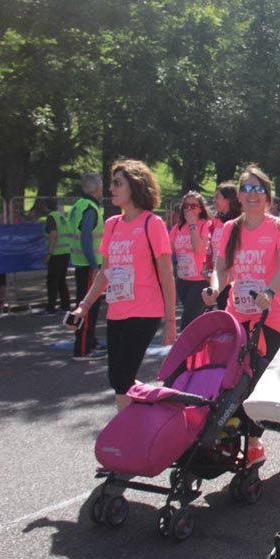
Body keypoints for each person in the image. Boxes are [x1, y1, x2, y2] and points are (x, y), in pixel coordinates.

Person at [202, 165, 280, 467]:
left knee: (262, 380)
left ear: (266, 195)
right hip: (237, 314)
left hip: (272, 316)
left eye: (258, 189)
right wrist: (215, 289)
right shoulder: (231, 229)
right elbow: (222, 268)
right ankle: (232, 431)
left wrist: (269, 291)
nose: (252, 195)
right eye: (246, 189)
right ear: (239, 195)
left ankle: (255, 440)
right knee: (233, 377)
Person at [67, 160, 176, 411]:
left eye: (118, 183)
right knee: (117, 377)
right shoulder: (111, 224)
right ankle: (152, 409)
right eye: (111, 183)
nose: (111, 189)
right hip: (117, 310)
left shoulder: (152, 223)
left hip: (145, 311)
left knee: (122, 378)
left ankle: (126, 433)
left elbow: (166, 275)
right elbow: (105, 272)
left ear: (135, 187)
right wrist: (83, 307)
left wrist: (170, 320)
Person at [69, 173, 106, 360]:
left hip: (80, 261)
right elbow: (85, 237)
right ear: (97, 188)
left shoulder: (79, 205)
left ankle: (89, 341)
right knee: (88, 305)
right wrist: (94, 265)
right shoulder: (90, 208)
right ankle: (82, 348)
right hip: (89, 263)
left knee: (87, 303)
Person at [170, 192, 211, 330]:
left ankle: (185, 350)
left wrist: (193, 226)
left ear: (200, 208)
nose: (189, 209)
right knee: (195, 322)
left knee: (187, 322)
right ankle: (202, 348)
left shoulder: (205, 225)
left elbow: (200, 250)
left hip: (200, 281)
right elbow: (168, 250)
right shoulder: (178, 228)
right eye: (186, 206)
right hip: (183, 280)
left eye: (193, 206)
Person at [209, 181, 242, 312]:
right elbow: (212, 246)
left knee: (229, 312)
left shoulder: (238, 222)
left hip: (232, 278)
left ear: (227, 199)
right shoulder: (216, 220)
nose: (214, 200)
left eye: (218, 197)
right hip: (218, 273)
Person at [43, 201, 72, 315]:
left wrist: (49, 253)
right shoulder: (62, 216)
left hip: (56, 252)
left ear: (46, 207)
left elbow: (53, 234)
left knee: (52, 280)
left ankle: (51, 307)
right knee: (61, 280)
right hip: (65, 251)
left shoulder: (51, 217)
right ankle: (65, 305)